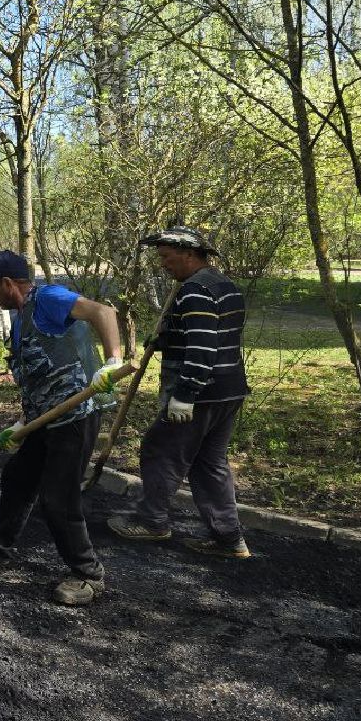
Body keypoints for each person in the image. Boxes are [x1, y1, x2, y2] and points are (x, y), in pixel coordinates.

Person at [0, 250, 125, 606]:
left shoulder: (48, 299)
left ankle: (88, 575)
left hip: (76, 415)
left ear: (9, 283)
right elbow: (36, 378)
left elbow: (102, 312)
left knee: (58, 496)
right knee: (18, 477)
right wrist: (21, 423)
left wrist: (112, 362)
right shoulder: (21, 320)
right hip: (45, 418)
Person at [108, 227, 251, 557]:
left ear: (188, 255)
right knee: (209, 463)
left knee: (160, 450)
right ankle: (229, 538)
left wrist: (185, 393)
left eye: (165, 257)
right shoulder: (224, 286)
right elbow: (215, 334)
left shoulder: (195, 291)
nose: (163, 264)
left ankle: (152, 522)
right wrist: (167, 339)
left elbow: (202, 347)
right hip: (229, 390)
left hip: (201, 392)